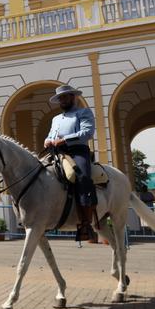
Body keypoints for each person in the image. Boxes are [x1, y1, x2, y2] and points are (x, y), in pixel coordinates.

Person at [44, 84, 97, 240]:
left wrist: (64, 140)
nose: (63, 100)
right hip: (56, 153)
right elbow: (51, 135)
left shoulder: (83, 112)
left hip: (77, 152)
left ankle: (86, 223)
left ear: (73, 97)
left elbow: (87, 132)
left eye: (66, 97)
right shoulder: (56, 119)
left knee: (82, 177)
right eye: (61, 98)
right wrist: (47, 140)